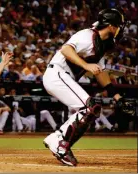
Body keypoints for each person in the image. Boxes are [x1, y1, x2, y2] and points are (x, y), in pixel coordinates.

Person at [42, 8, 130, 166]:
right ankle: (60, 143)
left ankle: (58, 138)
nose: (121, 29)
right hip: (57, 74)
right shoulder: (87, 35)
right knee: (89, 107)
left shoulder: (102, 45)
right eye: (119, 25)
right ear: (110, 26)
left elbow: (100, 73)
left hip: (63, 77)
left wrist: (117, 96)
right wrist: (86, 65)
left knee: (92, 110)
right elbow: (66, 49)